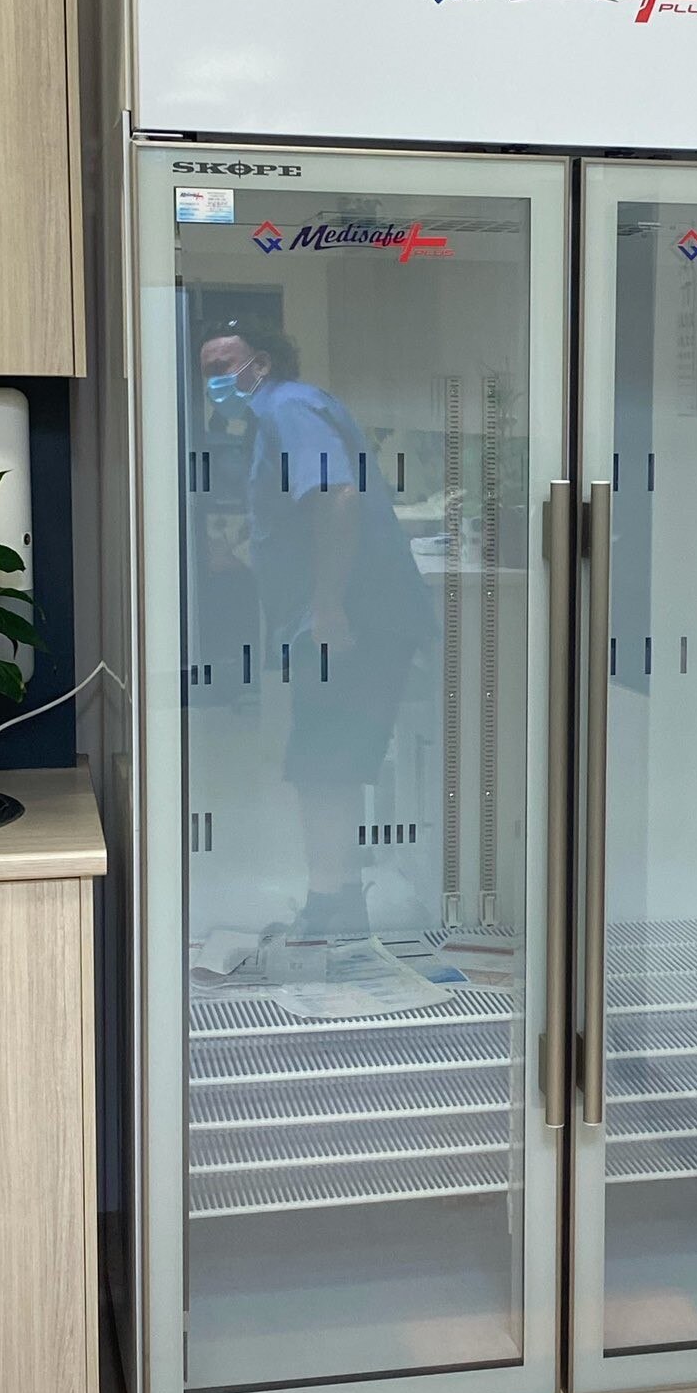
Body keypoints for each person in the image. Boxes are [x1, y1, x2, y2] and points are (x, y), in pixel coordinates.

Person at [201, 318, 435, 940]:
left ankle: (331, 908)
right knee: (327, 759)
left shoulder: (288, 408)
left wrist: (329, 607)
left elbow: (335, 494)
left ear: (262, 363)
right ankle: (338, 903)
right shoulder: (278, 415)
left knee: (322, 760)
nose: (216, 381)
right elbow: (294, 514)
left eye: (225, 367)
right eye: (207, 372)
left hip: (352, 615)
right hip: (349, 612)